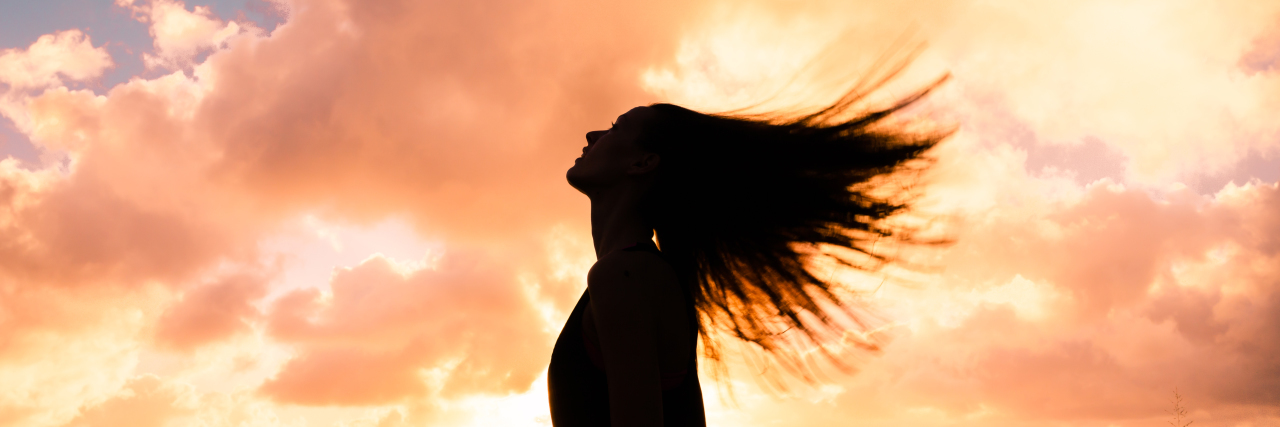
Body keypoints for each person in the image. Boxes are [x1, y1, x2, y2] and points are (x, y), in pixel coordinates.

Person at [548, 75, 949, 427]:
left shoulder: (625, 276)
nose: (592, 136)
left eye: (616, 128)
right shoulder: (642, 275)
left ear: (643, 162)